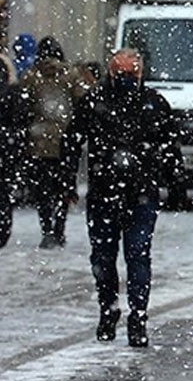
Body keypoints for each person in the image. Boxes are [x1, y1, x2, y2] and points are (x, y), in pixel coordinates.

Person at [63, 50, 180, 347]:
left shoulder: (153, 103)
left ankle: (137, 316)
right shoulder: (96, 102)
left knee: (136, 255)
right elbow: (72, 140)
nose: (126, 78)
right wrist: (67, 181)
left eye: (131, 72)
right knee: (105, 256)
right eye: (121, 72)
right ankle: (110, 309)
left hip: (139, 193)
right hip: (107, 192)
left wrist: (174, 182)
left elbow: (170, 146)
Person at [20, 36, 86, 248]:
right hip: (65, 141)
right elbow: (83, 102)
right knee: (63, 187)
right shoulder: (71, 76)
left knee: (42, 190)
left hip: (38, 142)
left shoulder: (32, 76)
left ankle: (47, 228)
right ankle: (60, 227)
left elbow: (23, 106)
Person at [0, 57, 25, 248]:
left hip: (6, 147)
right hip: (6, 149)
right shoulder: (13, 93)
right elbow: (20, 120)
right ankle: (3, 229)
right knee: (3, 192)